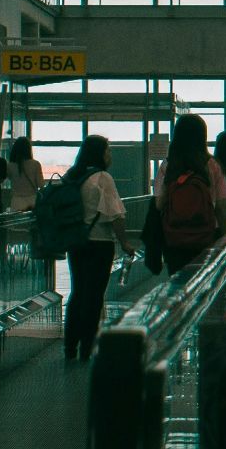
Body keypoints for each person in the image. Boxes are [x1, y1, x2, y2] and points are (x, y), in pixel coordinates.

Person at [63, 135, 136, 361]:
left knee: (77, 293)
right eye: (108, 151)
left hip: (76, 243)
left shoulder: (72, 176)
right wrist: (124, 242)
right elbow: (115, 214)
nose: (110, 155)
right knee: (94, 296)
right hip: (99, 245)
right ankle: (87, 347)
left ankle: (70, 347)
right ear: (99, 154)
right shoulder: (102, 178)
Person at [157, 113, 226, 272]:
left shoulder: (168, 164)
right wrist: (224, 233)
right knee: (204, 280)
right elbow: (221, 204)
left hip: (173, 236)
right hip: (206, 235)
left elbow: (159, 203)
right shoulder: (212, 164)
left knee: (176, 281)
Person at [7, 135, 45, 213]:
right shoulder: (35, 164)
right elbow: (41, 185)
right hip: (32, 202)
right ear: (28, 149)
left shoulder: (10, 165)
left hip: (16, 202)